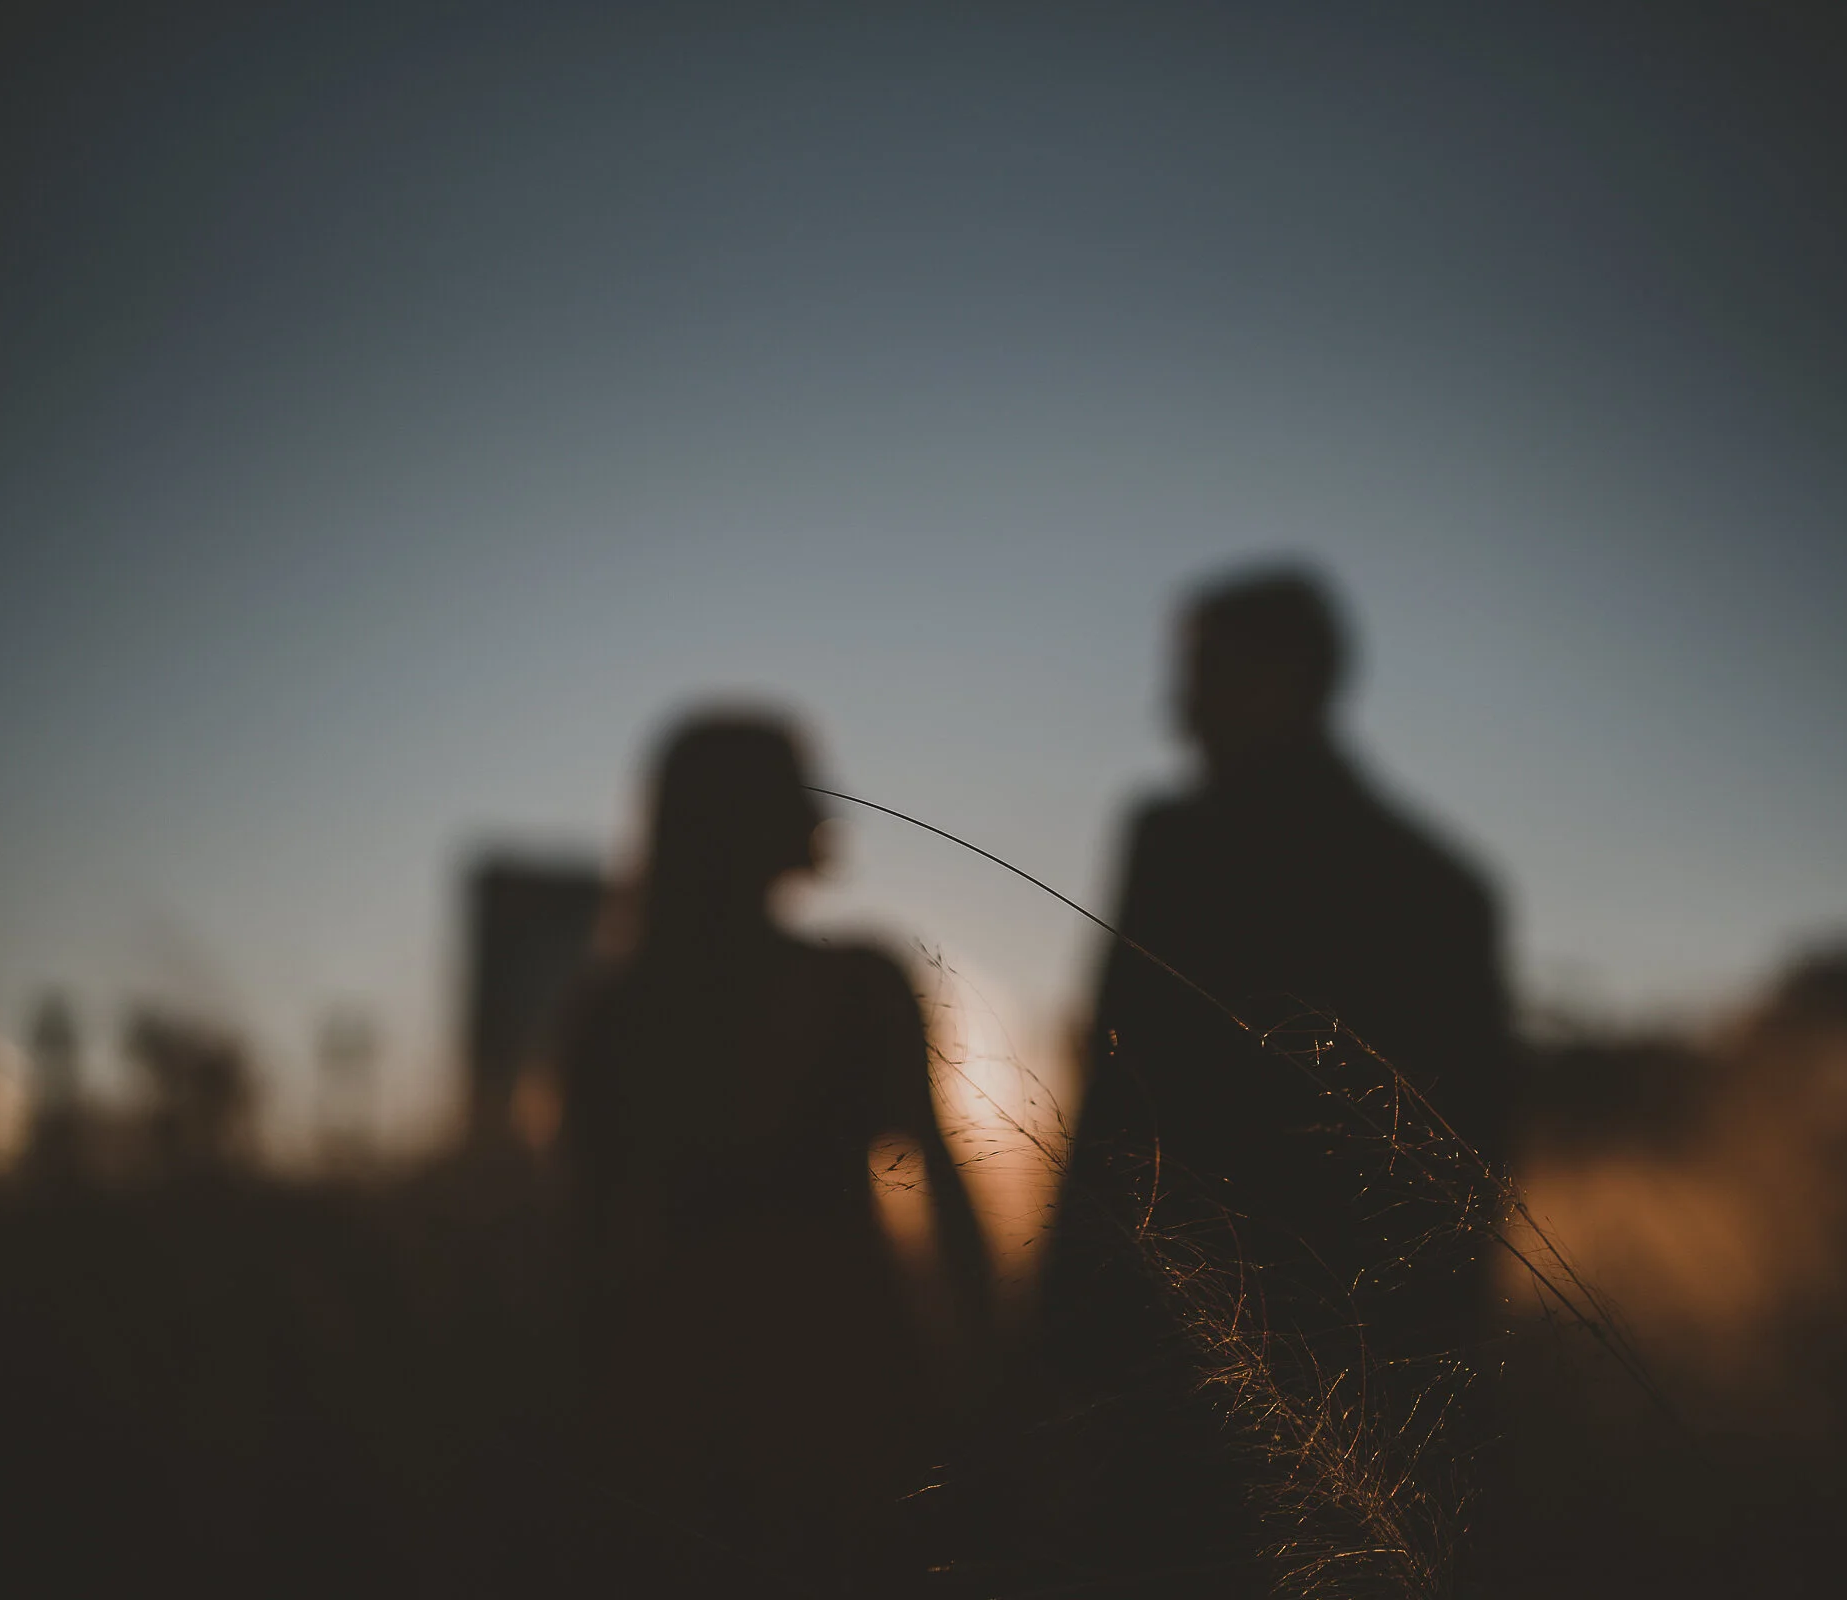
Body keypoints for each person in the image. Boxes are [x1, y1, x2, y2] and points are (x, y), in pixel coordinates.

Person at [1033, 567, 1516, 1592]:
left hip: (1177, 1334)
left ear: (1292, 677)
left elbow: (1119, 1102)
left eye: (1203, 672)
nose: (1176, 707)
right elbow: (1477, 1172)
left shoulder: (1177, 844)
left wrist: (1060, 1328)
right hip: (1365, 1362)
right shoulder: (1442, 888)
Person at [561, 711, 993, 1596]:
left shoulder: (614, 1009)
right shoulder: (861, 982)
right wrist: (994, 1372)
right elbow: (943, 1192)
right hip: (849, 1367)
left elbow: (582, 1249)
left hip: (674, 1380)